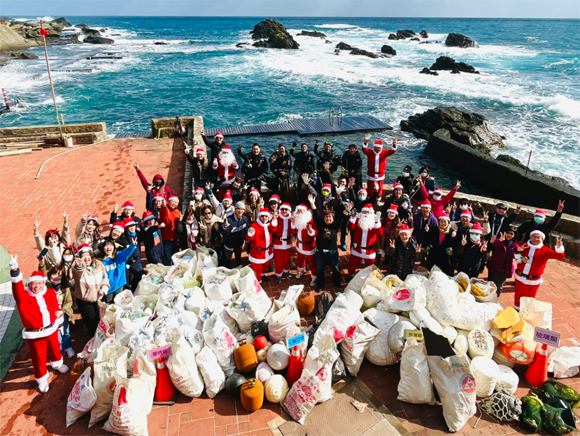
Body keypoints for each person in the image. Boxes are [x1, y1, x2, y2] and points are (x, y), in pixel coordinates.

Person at [8, 255, 68, 393]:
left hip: (51, 329)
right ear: (29, 285)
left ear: (43, 283)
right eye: (34, 284)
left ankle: (57, 364)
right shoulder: (23, 297)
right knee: (38, 357)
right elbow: (17, 288)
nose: (37, 286)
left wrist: (59, 316)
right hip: (35, 334)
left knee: (55, 349)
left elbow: (55, 308)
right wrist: (15, 271)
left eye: (40, 283)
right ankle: (41, 378)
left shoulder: (50, 293)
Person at [513, 231, 565, 309]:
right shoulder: (523, 246)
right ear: (530, 237)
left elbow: (560, 256)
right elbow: (515, 255)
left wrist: (559, 247)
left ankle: (526, 313)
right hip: (520, 277)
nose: (536, 239)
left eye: (538, 238)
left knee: (529, 299)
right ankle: (515, 310)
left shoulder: (545, 250)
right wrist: (520, 258)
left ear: (542, 239)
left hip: (533, 281)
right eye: (534, 237)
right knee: (518, 296)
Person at [71, 244, 109, 337]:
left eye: (88, 255)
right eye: (83, 256)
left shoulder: (99, 264)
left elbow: (104, 276)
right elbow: (78, 272)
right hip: (85, 301)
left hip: (99, 298)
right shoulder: (76, 268)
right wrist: (80, 266)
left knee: (102, 322)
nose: (86, 257)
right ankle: (94, 341)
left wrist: (104, 286)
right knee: (93, 325)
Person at [43, 264, 75, 359]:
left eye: (59, 275)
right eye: (54, 274)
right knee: (55, 334)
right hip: (51, 315)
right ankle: (59, 351)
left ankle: (68, 347)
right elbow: (42, 273)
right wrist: (41, 264)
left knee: (66, 331)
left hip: (62, 313)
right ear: (50, 275)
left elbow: (69, 301)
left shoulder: (65, 288)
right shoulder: (46, 286)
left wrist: (62, 311)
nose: (56, 277)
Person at [310, 200, 342, 291]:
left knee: (335, 268)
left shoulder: (335, 226)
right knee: (320, 269)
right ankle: (320, 284)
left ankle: (337, 281)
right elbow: (316, 213)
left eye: (330, 217)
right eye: (326, 217)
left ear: (333, 219)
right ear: (323, 218)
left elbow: (341, 217)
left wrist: (347, 210)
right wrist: (312, 203)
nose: (328, 218)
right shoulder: (320, 224)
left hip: (332, 251)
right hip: (320, 251)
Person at [347, 203, 384, 277]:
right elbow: (350, 227)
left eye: (368, 212)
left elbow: (380, 233)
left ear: (372, 213)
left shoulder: (374, 222)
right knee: (352, 265)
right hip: (357, 249)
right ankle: (351, 275)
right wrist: (353, 218)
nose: (366, 214)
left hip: (369, 251)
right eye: (364, 212)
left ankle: (369, 277)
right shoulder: (358, 220)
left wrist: (377, 223)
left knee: (371, 267)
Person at [101, 237, 136, 303]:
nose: (108, 247)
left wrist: (133, 245)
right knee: (109, 305)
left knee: (119, 304)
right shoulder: (101, 262)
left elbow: (127, 252)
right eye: (106, 245)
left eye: (111, 245)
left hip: (119, 285)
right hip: (108, 289)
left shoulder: (119, 256)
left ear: (114, 248)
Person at [487, 226, 519, 296]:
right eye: (507, 232)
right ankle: (487, 297)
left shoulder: (515, 245)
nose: (509, 235)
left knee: (499, 286)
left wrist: (518, 252)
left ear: (514, 235)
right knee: (490, 284)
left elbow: (516, 257)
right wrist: (500, 240)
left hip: (505, 269)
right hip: (495, 267)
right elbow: (495, 244)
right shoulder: (500, 241)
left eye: (511, 233)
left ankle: (496, 298)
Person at [291, 204, 318, 287]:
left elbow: (316, 233)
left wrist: (311, 231)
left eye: (301, 211)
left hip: (309, 247)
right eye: (298, 211)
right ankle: (301, 270)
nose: (299, 213)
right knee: (300, 260)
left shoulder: (311, 221)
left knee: (312, 263)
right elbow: (294, 232)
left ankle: (314, 277)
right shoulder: (296, 220)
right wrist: (293, 223)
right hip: (299, 245)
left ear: (306, 212)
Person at [246, 208, 274, 283]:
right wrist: (250, 233)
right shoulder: (254, 225)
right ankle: (258, 282)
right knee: (257, 270)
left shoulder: (269, 225)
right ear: (259, 216)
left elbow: (274, 229)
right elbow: (249, 238)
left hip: (267, 252)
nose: (264, 218)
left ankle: (262, 275)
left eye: (266, 216)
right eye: (262, 216)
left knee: (265, 266)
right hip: (257, 254)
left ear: (268, 217)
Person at [219, 201, 249, 267]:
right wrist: (224, 227)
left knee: (238, 260)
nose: (240, 211)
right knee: (227, 262)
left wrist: (246, 242)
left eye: (242, 209)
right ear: (235, 209)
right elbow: (221, 230)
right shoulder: (228, 219)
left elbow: (245, 231)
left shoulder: (245, 219)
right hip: (229, 245)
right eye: (238, 209)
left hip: (239, 244)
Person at [270, 202, 294, 283]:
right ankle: (278, 275)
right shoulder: (277, 217)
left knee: (287, 259)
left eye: (286, 209)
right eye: (282, 209)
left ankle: (286, 272)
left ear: (289, 210)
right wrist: (274, 220)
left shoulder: (291, 218)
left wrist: (293, 222)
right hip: (278, 243)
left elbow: (294, 231)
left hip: (288, 243)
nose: (284, 211)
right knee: (278, 260)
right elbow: (273, 230)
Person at [158, 195, 182, 265]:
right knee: (168, 257)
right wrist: (164, 206)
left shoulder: (178, 212)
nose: (174, 204)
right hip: (167, 238)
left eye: (176, 202)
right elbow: (163, 211)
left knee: (175, 257)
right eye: (172, 202)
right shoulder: (164, 209)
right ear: (168, 202)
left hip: (175, 238)